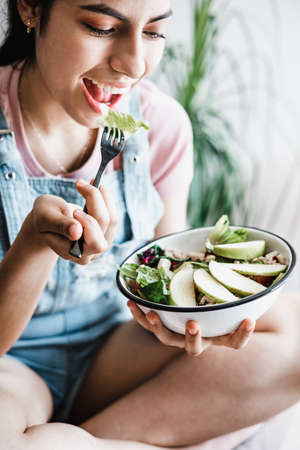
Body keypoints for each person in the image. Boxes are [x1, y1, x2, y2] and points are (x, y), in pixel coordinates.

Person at [0, 0, 299, 449]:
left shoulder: (159, 125)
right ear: (30, 8)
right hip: (13, 367)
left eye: (155, 32)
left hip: (113, 348)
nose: (134, 64)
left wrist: (191, 320)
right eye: (101, 27)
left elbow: (168, 271)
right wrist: (33, 246)